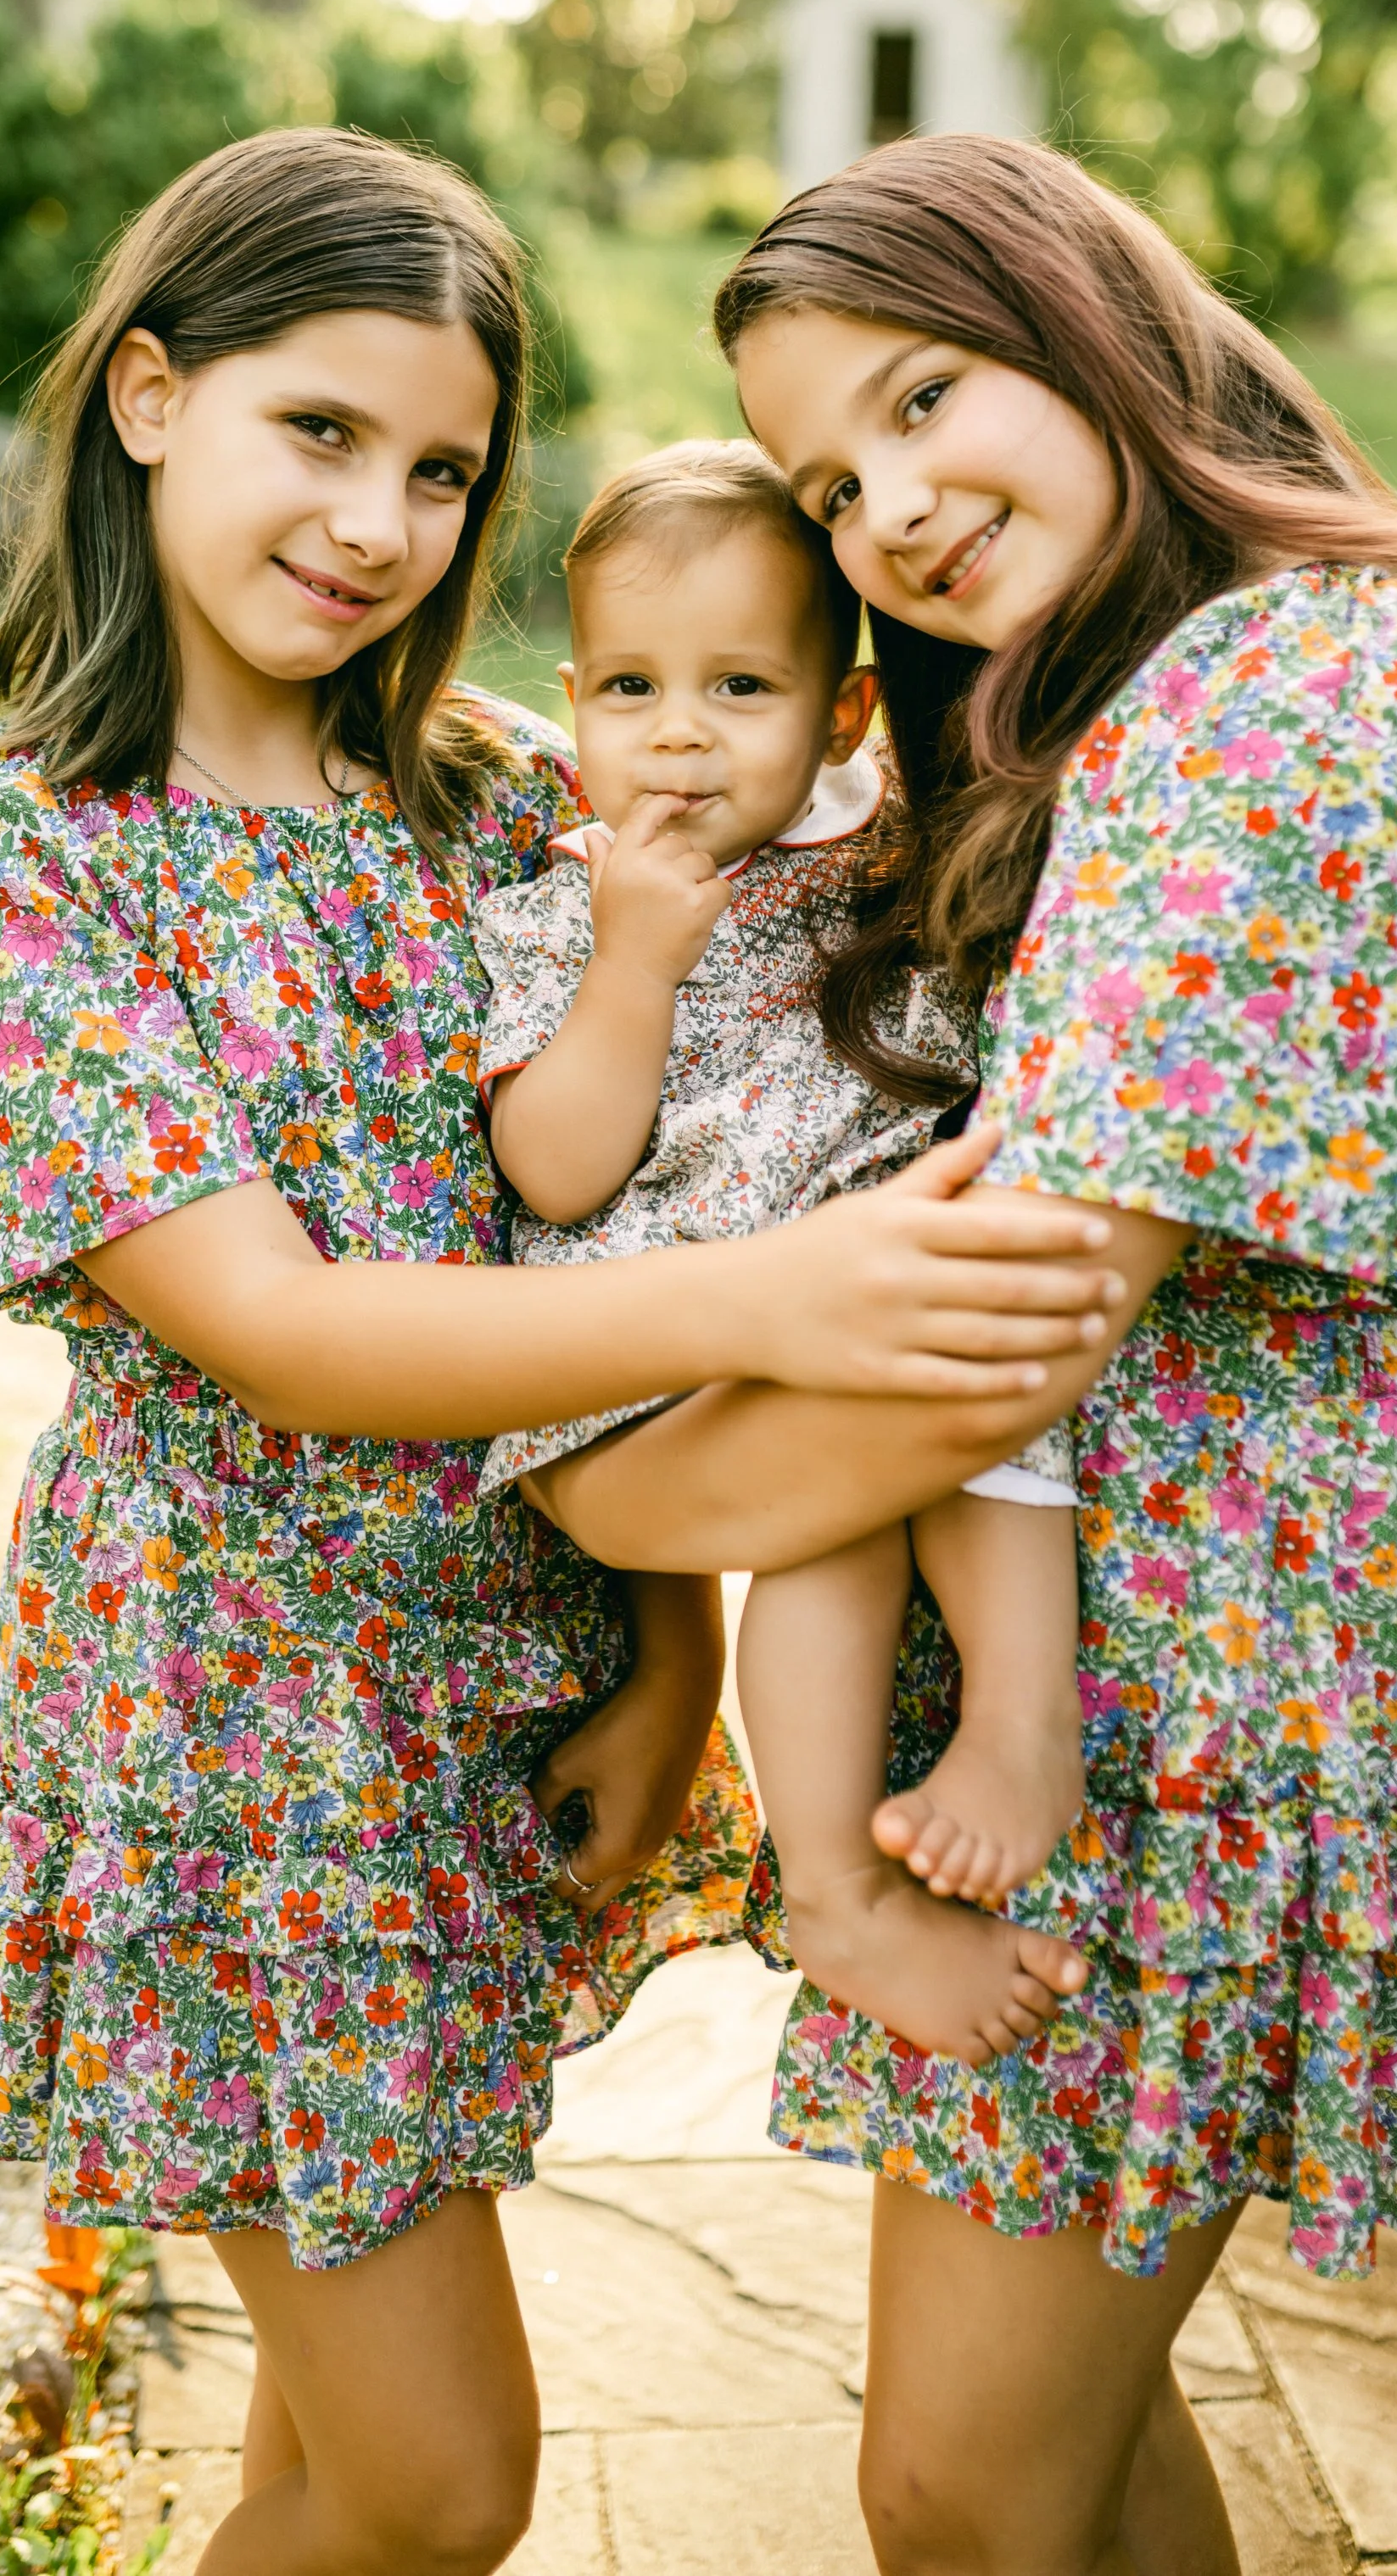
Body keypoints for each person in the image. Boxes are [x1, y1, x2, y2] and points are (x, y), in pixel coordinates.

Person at [0, 125, 1132, 2576]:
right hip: (240, 1739)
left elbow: (614, 1189)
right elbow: (291, 1330)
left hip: (480, 1702)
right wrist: (782, 1305)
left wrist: (663, 1645)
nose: (379, 521)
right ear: (146, 397)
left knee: (330, 2454)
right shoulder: (18, 851)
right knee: (442, 2482)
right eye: (317, 431)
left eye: (442, 468)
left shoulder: (469, 806)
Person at [520, 132, 1397, 2576]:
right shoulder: (1141, 692)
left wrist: (600, 1491)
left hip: (1198, 1689)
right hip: (1142, 1660)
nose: (887, 505)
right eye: (832, 472)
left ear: (1084, 309)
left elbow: (1004, 1324)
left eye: (922, 396)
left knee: (965, 2485)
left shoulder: (1296, 678)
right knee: (1065, 2464)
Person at [472, 439, 1090, 2068]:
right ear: (574, 694)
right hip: (642, 1383)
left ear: (844, 716)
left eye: (739, 684)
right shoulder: (567, 902)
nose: (676, 733)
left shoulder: (895, 857)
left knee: (971, 1415)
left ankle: (1025, 1726)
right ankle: (833, 1889)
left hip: (865, 1313)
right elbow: (550, 1166)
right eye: (628, 685)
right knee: (847, 1518)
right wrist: (634, 967)